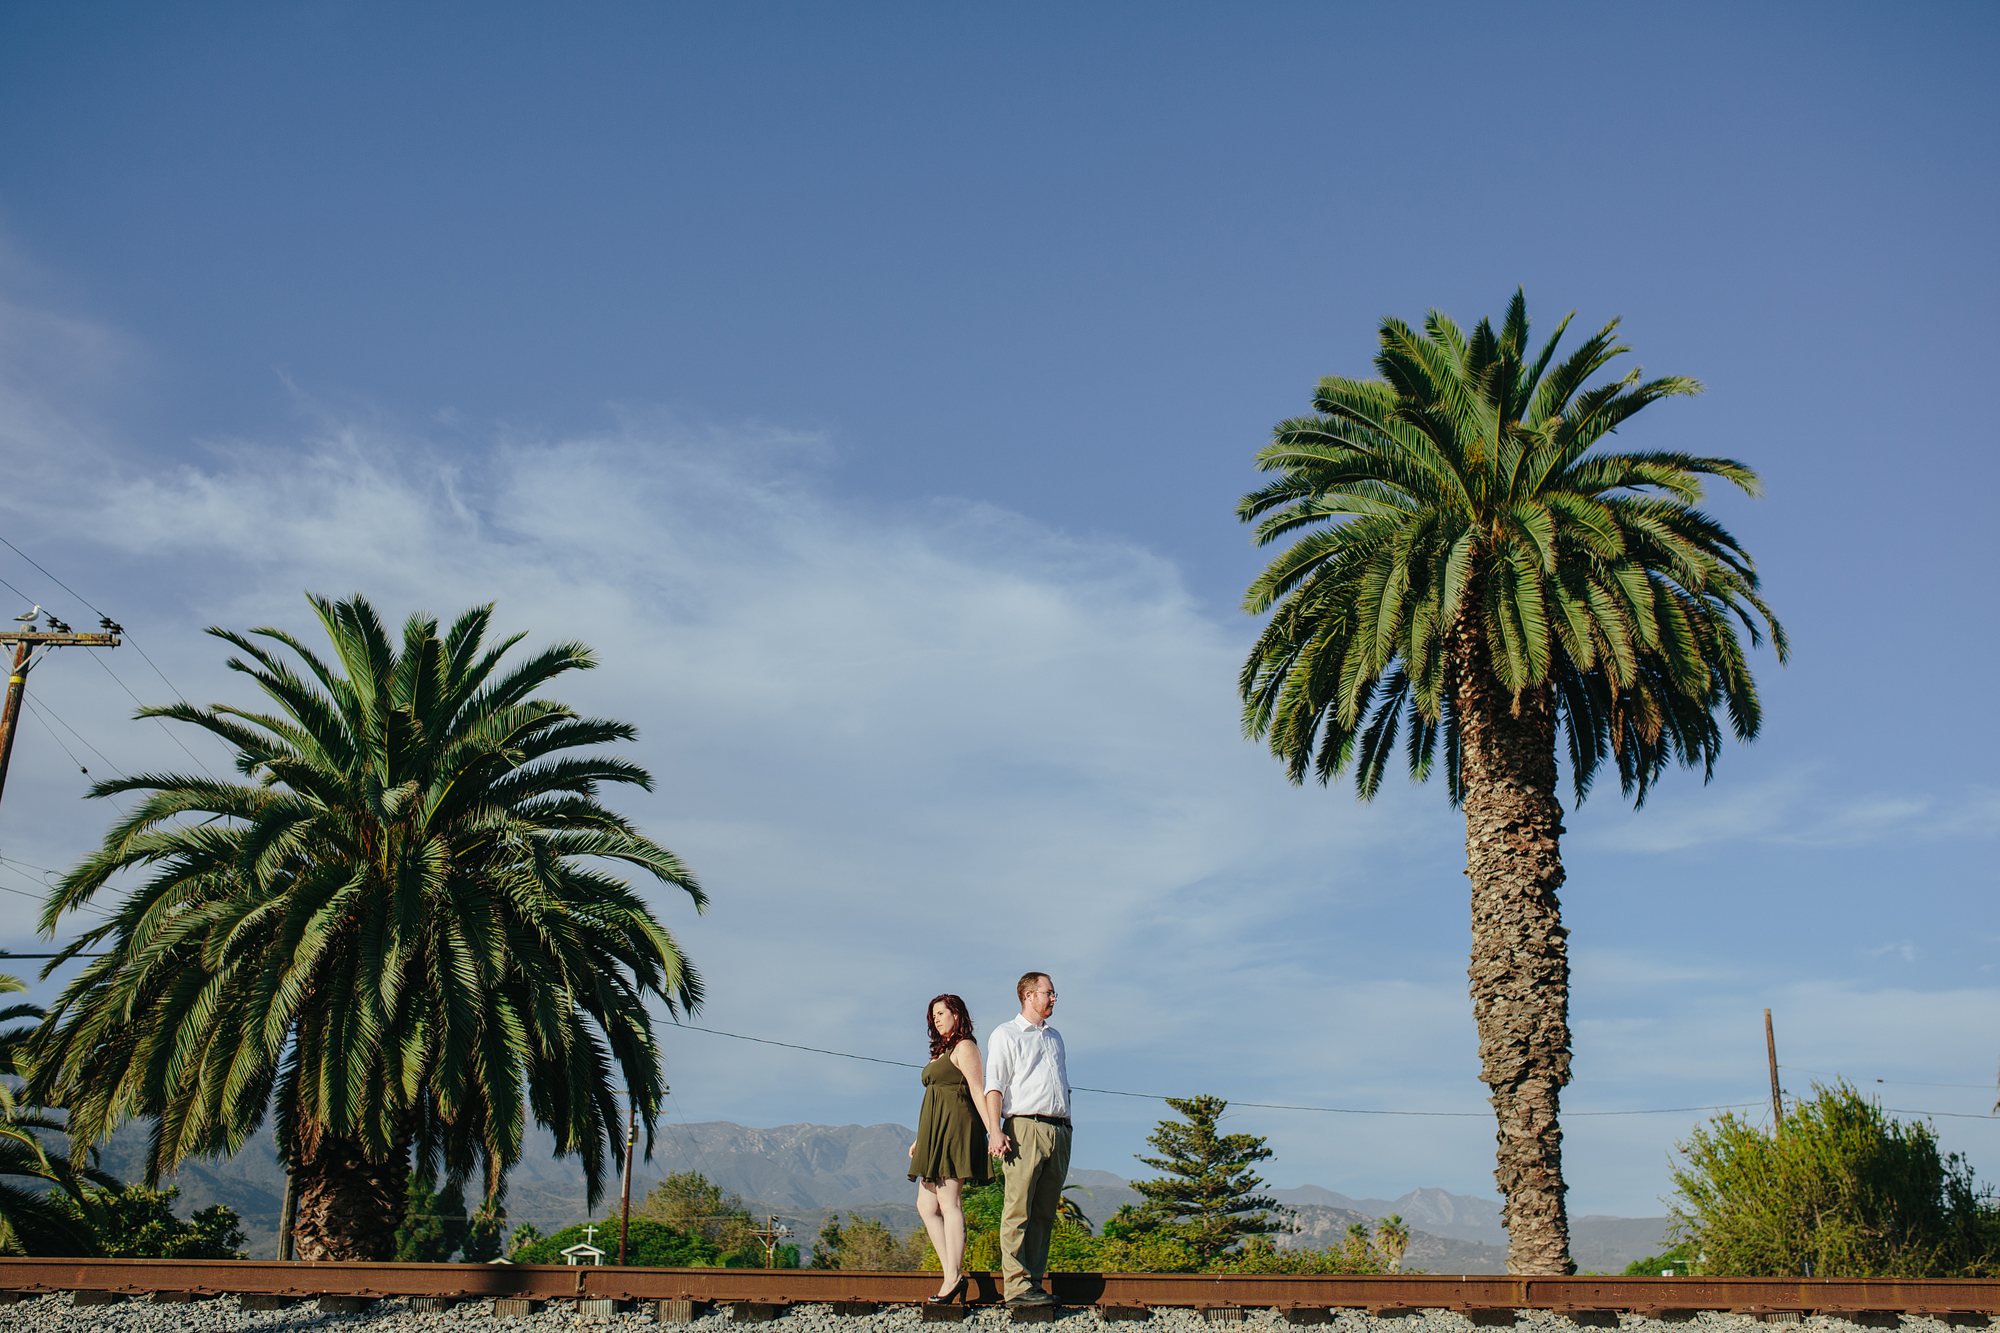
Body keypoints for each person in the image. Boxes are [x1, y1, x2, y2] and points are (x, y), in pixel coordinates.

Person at [908, 993, 1003, 1305]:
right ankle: (953, 1275)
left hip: (956, 1130)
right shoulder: (943, 1051)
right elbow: (934, 1097)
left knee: (949, 1203)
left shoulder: (965, 1048)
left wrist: (994, 1132)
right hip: (934, 1134)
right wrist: (921, 1140)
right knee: (926, 1206)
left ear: (957, 1014)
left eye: (941, 1012)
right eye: (932, 1014)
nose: (936, 1018)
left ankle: (952, 1278)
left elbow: (978, 1091)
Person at [983, 972, 1070, 1307]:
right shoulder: (1006, 1034)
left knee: (1044, 1211)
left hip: (1059, 1130)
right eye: (1050, 993)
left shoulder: (1056, 1038)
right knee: (1018, 1209)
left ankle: (1032, 1283)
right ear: (1030, 994)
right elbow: (995, 1086)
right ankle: (1016, 1287)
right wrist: (995, 1130)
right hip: (1024, 1128)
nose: (1054, 998)